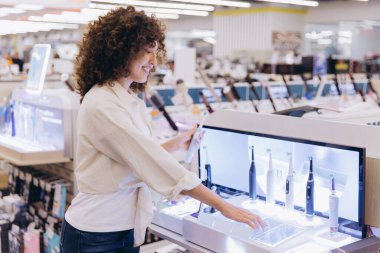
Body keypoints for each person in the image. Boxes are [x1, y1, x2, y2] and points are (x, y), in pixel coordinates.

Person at [61, 6, 265, 253]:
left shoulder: (123, 97)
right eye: (147, 52)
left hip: (121, 229)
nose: (153, 62)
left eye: (156, 53)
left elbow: (133, 154)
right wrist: (223, 206)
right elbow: (149, 160)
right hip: (95, 234)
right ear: (121, 51)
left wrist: (178, 142)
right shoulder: (103, 104)